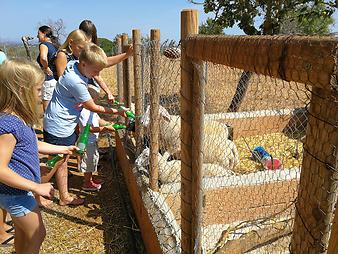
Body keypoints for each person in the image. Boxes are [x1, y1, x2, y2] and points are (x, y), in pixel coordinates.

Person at [0, 59, 78, 253]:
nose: (41, 94)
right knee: (37, 234)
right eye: (37, 90)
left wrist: (62, 149)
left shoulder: (19, 118)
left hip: (17, 190)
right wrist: (36, 186)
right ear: (21, 90)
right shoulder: (9, 126)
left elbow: (32, 144)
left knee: (23, 232)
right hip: (15, 193)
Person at [43, 43, 127, 206]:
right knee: (55, 162)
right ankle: (35, 190)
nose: (97, 75)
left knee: (63, 160)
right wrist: (118, 112)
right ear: (84, 64)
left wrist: (125, 55)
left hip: (63, 123)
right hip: (58, 126)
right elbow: (93, 107)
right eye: (95, 71)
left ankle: (64, 196)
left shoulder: (75, 64)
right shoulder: (76, 82)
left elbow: (98, 62)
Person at [79, 20, 133, 101]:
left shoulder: (91, 49)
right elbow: (103, 66)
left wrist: (108, 93)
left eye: (90, 36)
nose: (88, 40)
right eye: (86, 36)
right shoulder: (80, 51)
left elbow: (103, 65)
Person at [54, 29, 114, 100]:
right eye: (80, 48)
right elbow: (63, 81)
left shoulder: (77, 55)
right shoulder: (62, 55)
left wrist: (108, 92)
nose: (81, 52)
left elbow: (95, 74)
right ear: (70, 42)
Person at [79, 85, 117, 191]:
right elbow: (89, 128)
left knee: (93, 159)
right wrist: (104, 128)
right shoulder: (84, 113)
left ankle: (90, 178)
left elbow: (98, 120)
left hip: (92, 141)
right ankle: (87, 183)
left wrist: (109, 124)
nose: (97, 103)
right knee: (88, 161)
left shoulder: (91, 110)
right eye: (95, 100)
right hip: (86, 142)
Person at [37, 25, 59, 111]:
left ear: (44, 33)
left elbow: (43, 58)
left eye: (39, 33)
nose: (37, 36)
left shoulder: (43, 45)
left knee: (47, 109)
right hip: (55, 81)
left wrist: (45, 67)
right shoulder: (54, 46)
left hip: (48, 81)